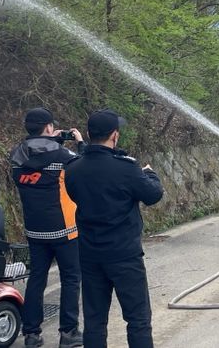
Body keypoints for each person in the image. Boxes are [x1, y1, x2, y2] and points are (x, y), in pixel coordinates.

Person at [64, 109, 164, 348]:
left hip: (90, 255)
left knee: (94, 321)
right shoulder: (127, 168)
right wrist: (150, 173)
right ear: (115, 135)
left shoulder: (73, 169)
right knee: (138, 319)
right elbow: (153, 195)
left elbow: (76, 195)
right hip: (124, 256)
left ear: (89, 134)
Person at [9, 107, 84, 348]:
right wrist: (79, 143)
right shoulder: (63, 155)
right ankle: (68, 333)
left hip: (35, 230)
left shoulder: (17, 156)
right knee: (71, 279)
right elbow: (85, 169)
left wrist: (52, 140)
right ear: (49, 127)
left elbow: (38, 160)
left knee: (36, 279)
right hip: (65, 230)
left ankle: (31, 334)